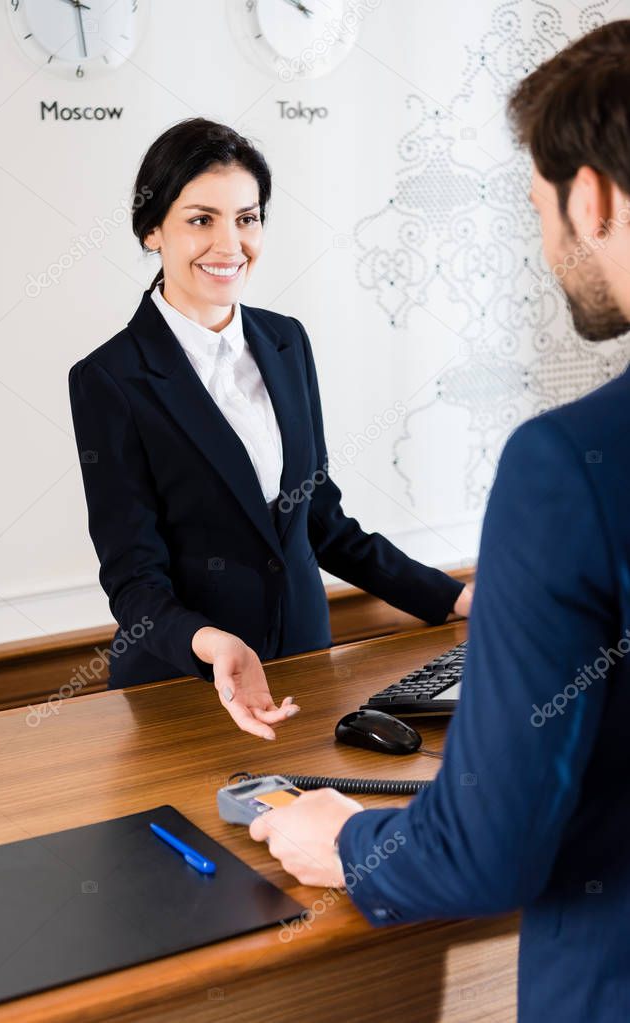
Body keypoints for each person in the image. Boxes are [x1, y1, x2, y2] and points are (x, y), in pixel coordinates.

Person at [250, 20, 630, 1021]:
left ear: (588, 197)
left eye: (536, 201)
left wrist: (343, 840)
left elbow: (487, 848)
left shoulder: (568, 469)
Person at [69, 118, 472, 740]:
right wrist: (212, 643)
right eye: (201, 219)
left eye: (247, 218)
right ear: (152, 231)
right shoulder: (111, 378)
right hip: (183, 687)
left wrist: (449, 598)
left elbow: (319, 521)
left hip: (306, 670)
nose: (229, 244)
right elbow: (133, 580)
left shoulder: (286, 341)